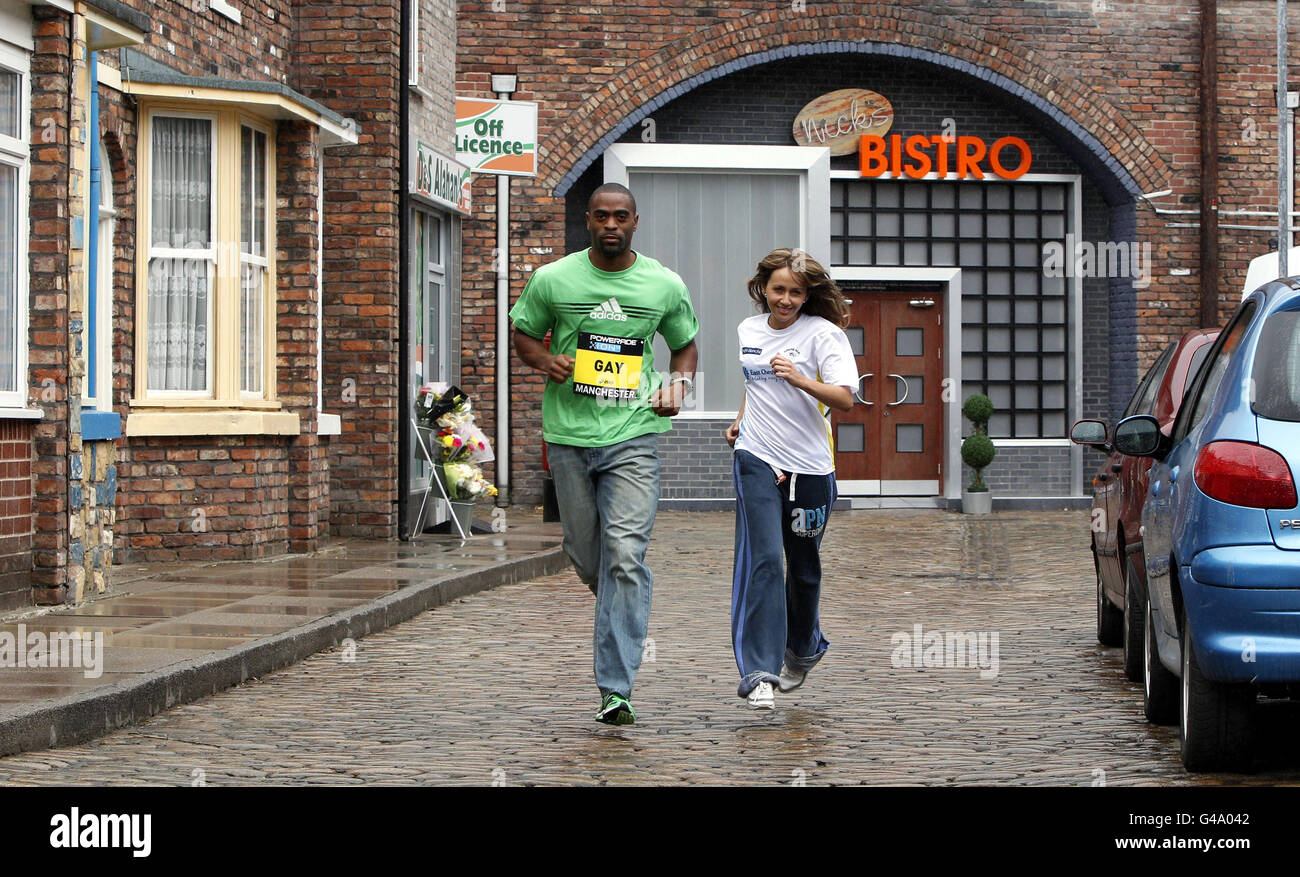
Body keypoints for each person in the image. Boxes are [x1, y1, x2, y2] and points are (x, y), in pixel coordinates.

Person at [510, 182, 699, 726]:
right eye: (601, 217)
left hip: (634, 433)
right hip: (568, 435)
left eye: (621, 216)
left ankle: (615, 688)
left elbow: (684, 344)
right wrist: (544, 361)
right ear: (588, 221)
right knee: (587, 553)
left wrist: (678, 387)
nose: (611, 225)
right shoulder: (553, 279)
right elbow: (523, 334)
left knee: (625, 555)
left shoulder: (663, 284)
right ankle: (619, 600)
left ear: (635, 221)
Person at [725, 248, 857, 710]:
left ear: (807, 295)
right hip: (756, 456)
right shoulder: (748, 329)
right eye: (778, 289)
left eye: (795, 292)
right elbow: (755, 382)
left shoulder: (825, 335)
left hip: (811, 468)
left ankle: (802, 650)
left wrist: (800, 379)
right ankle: (759, 672)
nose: (785, 300)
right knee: (763, 559)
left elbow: (844, 399)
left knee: (803, 570)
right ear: (764, 288)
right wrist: (741, 420)